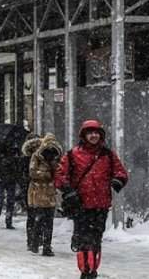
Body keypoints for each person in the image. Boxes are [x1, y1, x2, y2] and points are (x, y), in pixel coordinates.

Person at [54, 120, 128, 279]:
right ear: (84, 135)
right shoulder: (72, 154)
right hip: (80, 205)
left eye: (96, 133)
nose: (93, 136)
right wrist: (67, 190)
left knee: (96, 239)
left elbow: (121, 172)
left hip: (100, 205)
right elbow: (60, 175)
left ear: (100, 135)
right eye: (90, 132)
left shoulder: (108, 154)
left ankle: (92, 269)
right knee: (84, 240)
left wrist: (118, 180)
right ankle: (85, 270)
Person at [28, 133, 62, 256]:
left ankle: (47, 246)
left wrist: (53, 164)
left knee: (49, 222)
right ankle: (35, 242)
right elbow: (32, 173)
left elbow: (59, 173)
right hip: (39, 192)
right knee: (39, 219)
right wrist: (46, 175)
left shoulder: (56, 158)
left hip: (50, 193)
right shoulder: (36, 156)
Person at [0, 138, 21, 229]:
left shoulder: (14, 151)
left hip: (10, 178)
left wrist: (12, 162)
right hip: (0, 178)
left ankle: (8, 219)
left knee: (10, 200)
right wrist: (1, 162)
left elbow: (18, 165)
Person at [21, 133, 43, 253]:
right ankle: (39, 238)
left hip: (29, 189)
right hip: (42, 188)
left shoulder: (24, 158)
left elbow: (21, 174)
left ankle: (31, 239)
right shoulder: (44, 155)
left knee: (31, 215)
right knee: (42, 215)